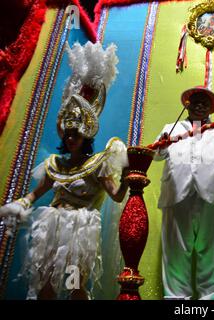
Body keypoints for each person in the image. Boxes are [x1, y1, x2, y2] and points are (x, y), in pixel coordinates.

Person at [0, 42, 127, 300]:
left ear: (86, 137)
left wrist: (129, 175)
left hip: (79, 232)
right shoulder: (56, 164)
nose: (71, 139)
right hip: (51, 230)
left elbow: (115, 195)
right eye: (68, 134)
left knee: (75, 287)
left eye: (76, 135)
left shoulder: (99, 163)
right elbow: (38, 192)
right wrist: (20, 204)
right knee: (45, 286)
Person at [153, 86, 214, 300]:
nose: (200, 105)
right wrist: (162, 145)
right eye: (196, 101)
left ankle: (211, 298)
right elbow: (156, 154)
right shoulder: (172, 127)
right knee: (175, 252)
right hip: (176, 195)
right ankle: (176, 298)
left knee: (212, 251)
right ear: (187, 105)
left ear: (211, 108)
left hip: (211, 195)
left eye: (205, 102)